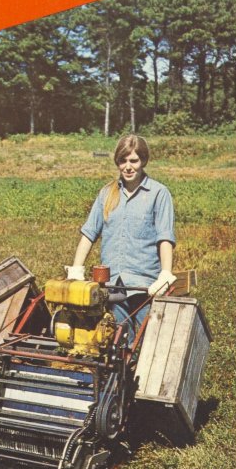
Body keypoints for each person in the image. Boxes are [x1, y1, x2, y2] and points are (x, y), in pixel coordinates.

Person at [68, 134, 176, 343]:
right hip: (113, 286)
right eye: (123, 161)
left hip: (145, 285)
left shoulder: (158, 193)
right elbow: (89, 233)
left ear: (143, 161)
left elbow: (165, 237)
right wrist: (76, 269)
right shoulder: (107, 194)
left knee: (149, 343)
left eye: (133, 160)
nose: (128, 167)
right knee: (117, 343)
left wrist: (165, 273)